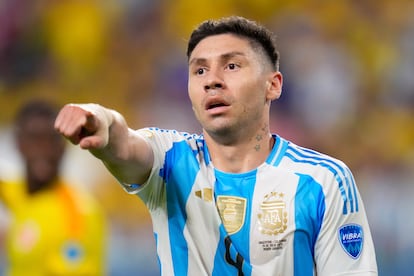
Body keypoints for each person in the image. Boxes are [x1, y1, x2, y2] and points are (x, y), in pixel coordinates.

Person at [55, 16, 378, 275]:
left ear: (273, 85)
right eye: (199, 70)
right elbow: (123, 143)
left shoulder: (323, 180)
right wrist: (96, 117)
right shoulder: (171, 160)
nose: (212, 80)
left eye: (232, 66)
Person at [0, 99, 106, 276]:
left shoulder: (79, 214)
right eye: (35, 139)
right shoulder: (21, 193)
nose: (43, 149)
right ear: (19, 144)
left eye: (52, 139)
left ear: (64, 146)